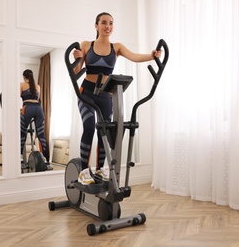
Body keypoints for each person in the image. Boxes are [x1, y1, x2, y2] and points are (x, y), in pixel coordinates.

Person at [73, 12, 161, 185]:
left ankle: (99, 169)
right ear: (96, 25)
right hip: (87, 93)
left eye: (111, 23)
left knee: (104, 132)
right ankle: (84, 171)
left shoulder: (117, 47)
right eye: (104, 23)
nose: (108, 26)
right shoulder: (85, 45)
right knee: (89, 127)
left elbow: (134, 57)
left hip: (106, 94)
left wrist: (151, 56)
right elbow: (76, 74)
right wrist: (76, 60)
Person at [20, 69, 52, 170]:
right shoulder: (38, 86)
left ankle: (21, 158)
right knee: (41, 134)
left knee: (22, 133)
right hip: (38, 109)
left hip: (27, 108)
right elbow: (37, 99)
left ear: (24, 77)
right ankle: (44, 159)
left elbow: (19, 96)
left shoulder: (22, 84)